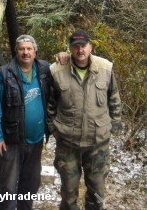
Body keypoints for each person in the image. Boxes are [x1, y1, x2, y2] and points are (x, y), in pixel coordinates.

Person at [46, 30, 122, 210]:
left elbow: (115, 99)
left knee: (96, 192)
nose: (80, 50)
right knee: (68, 192)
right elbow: (50, 102)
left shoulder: (105, 69)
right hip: (68, 143)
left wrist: (113, 128)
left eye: (83, 46)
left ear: (91, 48)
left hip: (98, 144)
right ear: (70, 49)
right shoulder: (57, 70)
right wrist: (52, 128)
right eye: (75, 46)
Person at [0, 35, 51, 210]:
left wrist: (63, 56)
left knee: (30, 183)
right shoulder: (4, 74)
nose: (26, 52)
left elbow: (65, 70)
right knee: (8, 187)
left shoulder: (44, 70)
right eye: (22, 49)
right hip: (12, 141)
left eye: (29, 49)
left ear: (35, 51)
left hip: (36, 141)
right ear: (16, 51)